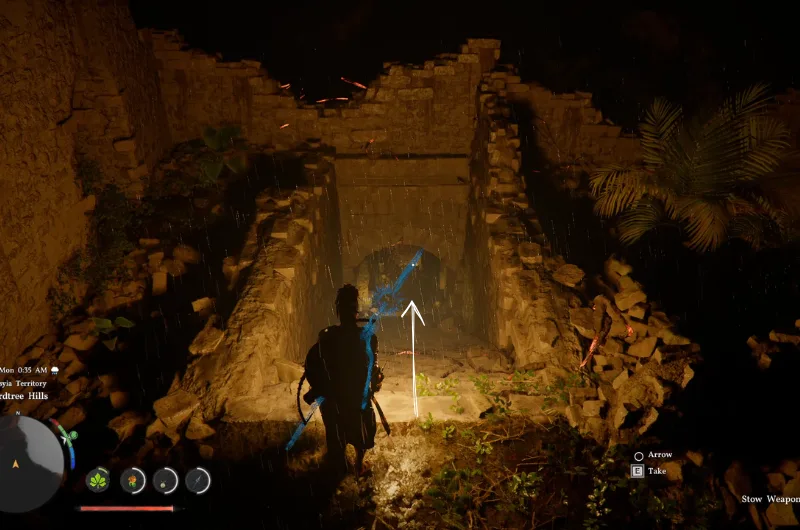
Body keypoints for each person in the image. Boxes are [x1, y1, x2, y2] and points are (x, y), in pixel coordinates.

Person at [303, 285, 384, 476]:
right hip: (354, 401)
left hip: (335, 402)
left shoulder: (327, 336)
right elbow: (373, 374)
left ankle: (340, 466)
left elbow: (314, 369)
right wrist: (376, 382)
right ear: (356, 311)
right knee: (359, 429)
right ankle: (357, 465)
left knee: (337, 433)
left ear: (338, 311)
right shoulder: (368, 338)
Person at [580, 294, 634, 368]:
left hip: (606, 324)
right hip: (606, 325)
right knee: (598, 338)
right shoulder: (601, 306)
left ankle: (587, 357)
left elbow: (601, 319)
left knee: (598, 337)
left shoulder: (600, 304)